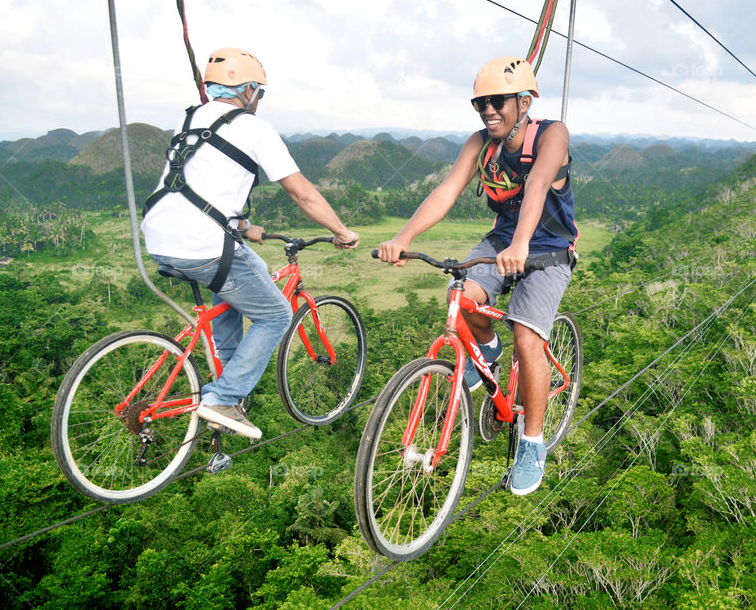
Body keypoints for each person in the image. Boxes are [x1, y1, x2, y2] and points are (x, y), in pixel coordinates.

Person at [378, 56, 577, 495]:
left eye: (498, 101)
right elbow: (446, 191)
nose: (488, 110)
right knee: (462, 300)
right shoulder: (480, 144)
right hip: (501, 243)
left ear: (524, 102)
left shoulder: (552, 134)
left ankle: (532, 442)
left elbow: (539, 185)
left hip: (547, 250)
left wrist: (522, 243)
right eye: (480, 103)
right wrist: (404, 236)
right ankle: (487, 350)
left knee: (528, 337)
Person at [142, 47, 358, 440]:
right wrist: (341, 231)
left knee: (244, 276)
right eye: (260, 93)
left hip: (160, 235)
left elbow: (197, 180)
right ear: (250, 91)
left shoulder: (188, 116)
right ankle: (223, 398)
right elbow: (302, 193)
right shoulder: (254, 127)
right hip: (201, 245)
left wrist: (241, 224)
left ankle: (226, 370)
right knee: (275, 314)